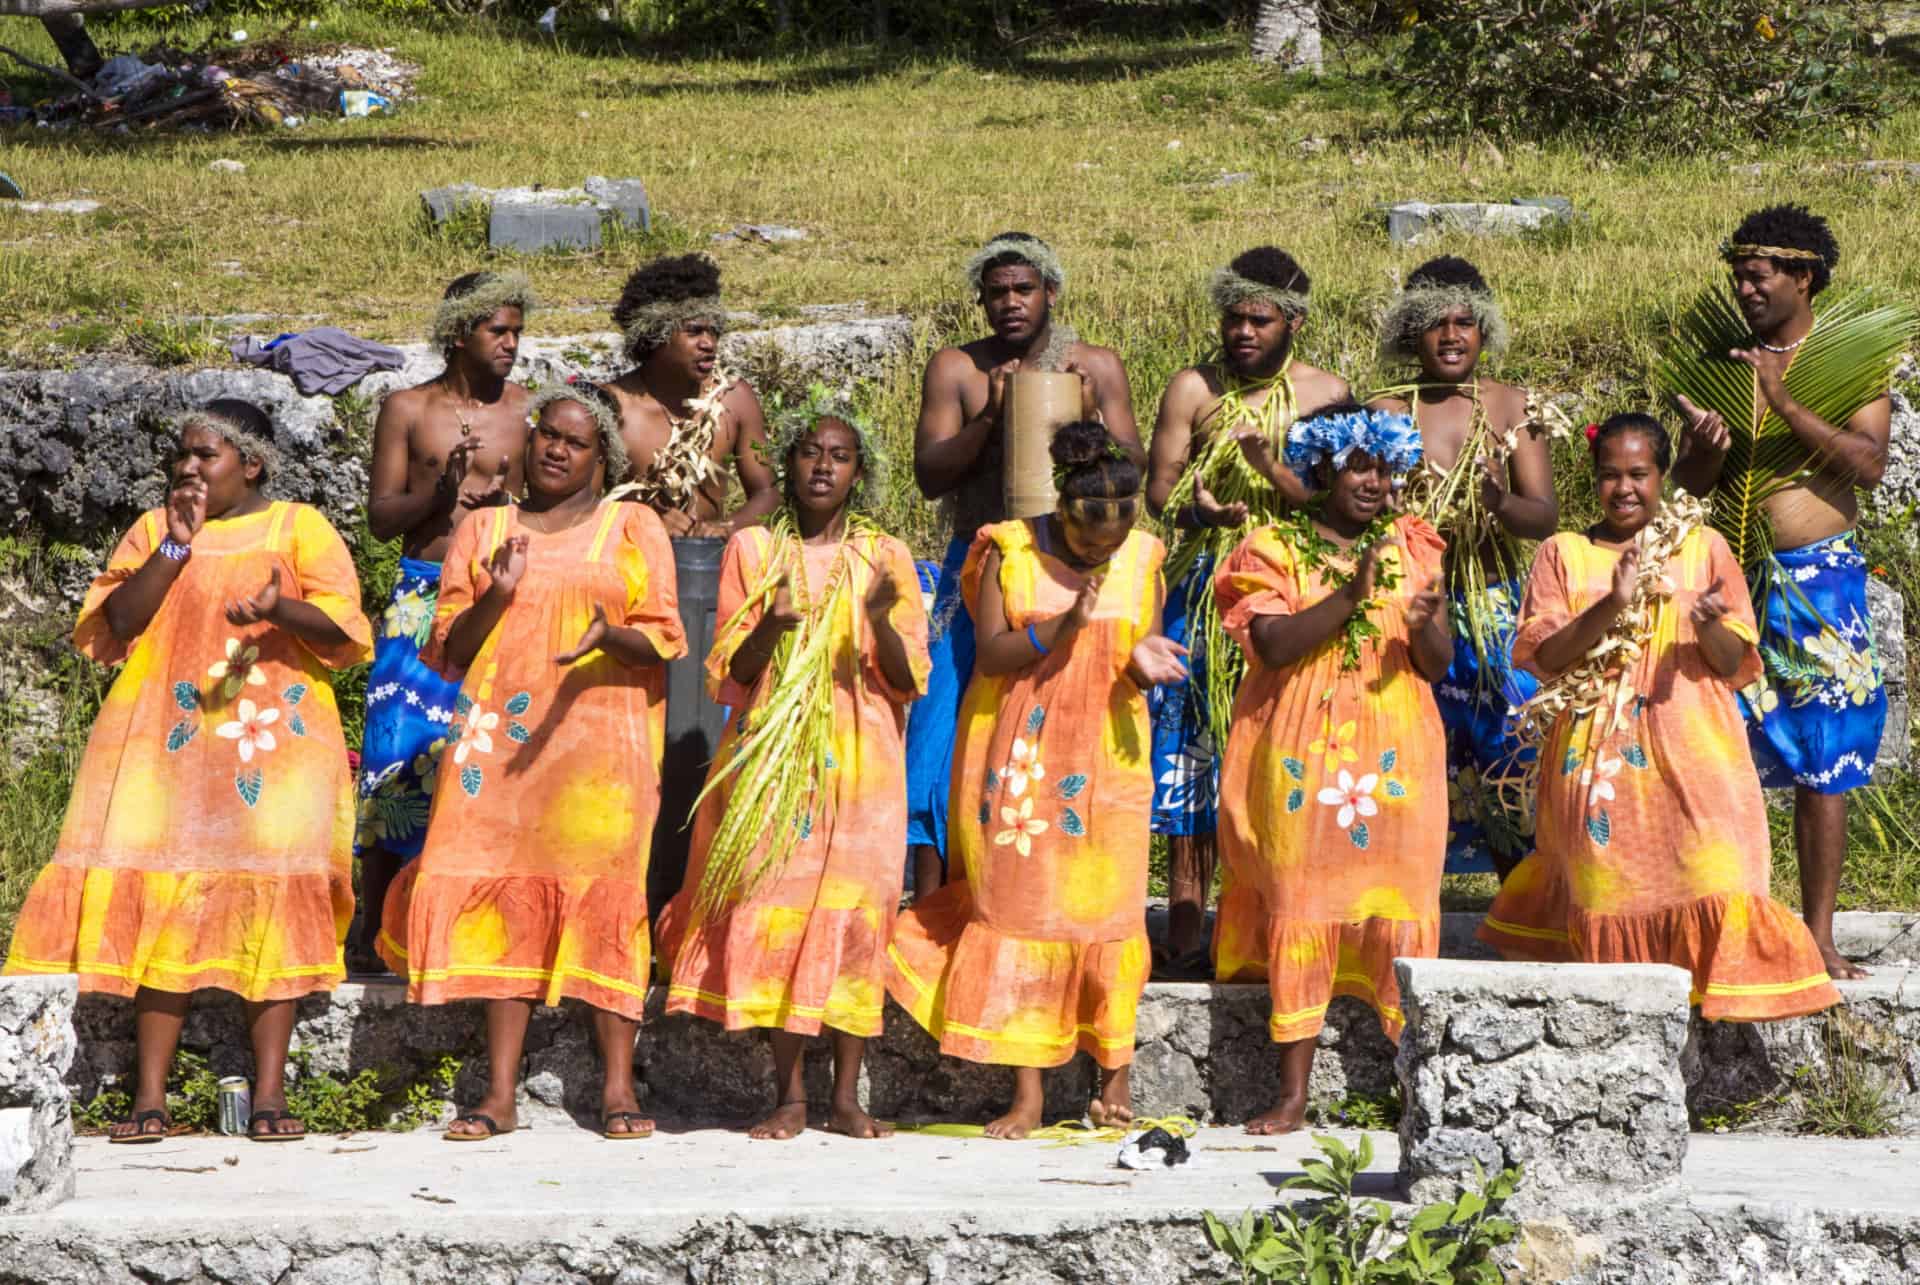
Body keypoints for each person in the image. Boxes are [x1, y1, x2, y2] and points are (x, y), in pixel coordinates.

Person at [5, 401, 373, 1143]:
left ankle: (269, 1095)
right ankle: (150, 1096)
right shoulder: (155, 529)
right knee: (160, 894)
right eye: (181, 455)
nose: (187, 468)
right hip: (165, 746)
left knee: (272, 894)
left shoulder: (299, 528)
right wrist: (174, 549)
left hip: (275, 745)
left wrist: (283, 608)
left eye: (205, 455)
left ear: (252, 463)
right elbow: (115, 625)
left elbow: (345, 631)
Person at [377, 385, 686, 1141]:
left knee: (608, 898)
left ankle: (617, 1089)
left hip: (599, 752)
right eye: (547, 434)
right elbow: (450, 645)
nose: (554, 448)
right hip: (500, 747)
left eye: (574, 442)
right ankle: (499, 1095)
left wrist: (613, 635)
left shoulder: (633, 525)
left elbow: (667, 638)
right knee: (503, 899)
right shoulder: (484, 527)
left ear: (600, 457)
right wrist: (498, 595)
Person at [1480, 414, 1839, 1022]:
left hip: (1697, 755)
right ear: (1592, 481)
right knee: (1608, 893)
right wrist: (1613, 604)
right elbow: (1545, 658)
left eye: (1639, 474)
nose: (1624, 489)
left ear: (1663, 476)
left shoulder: (1703, 548)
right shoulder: (1562, 554)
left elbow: (1735, 662)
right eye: (1610, 475)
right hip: (1598, 764)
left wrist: (1703, 624)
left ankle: (1713, 1022)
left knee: (1720, 872)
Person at [886, 420, 1188, 1140]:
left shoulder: (1143, 556)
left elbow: (1131, 638)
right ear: (1062, 511)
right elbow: (991, 654)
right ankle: (1028, 1092)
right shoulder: (1010, 550)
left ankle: (1116, 1080)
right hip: (1023, 756)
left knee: (1111, 914)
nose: (1102, 553)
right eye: (1089, 542)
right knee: (1023, 912)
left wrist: (1140, 656)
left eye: (1114, 542)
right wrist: (1062, 626)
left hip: (1109, 760)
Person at [657, 388, 929, 1141]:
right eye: (810, 452)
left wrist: (878, 619)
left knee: (852, 912)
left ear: (858, 473)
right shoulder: (754, 551)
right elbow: (729, 678)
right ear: (788, 463)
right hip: (774, 761)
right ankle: (789, 1093)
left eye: (840, 457)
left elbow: (908, 681)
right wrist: (772, 624)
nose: (822, 467)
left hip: (861, 763)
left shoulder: (885, 556)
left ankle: (845, 1095)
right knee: (779, 906)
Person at [1667, 204, 1906, 981]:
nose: (1743, 287)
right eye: (1737, 273)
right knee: (1711, 748)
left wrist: (1785, 400)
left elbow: (1869, 465)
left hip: (1819, 584)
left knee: (1823, 759)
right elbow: (1686, 485)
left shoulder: (1855, 361)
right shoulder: (1720, 361)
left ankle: (1819, 934)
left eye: (1758, 273)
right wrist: (1703, 453)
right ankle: (1722, 922)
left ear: (1803, 276)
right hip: (1731, 580)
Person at [1211, 402, 1449, 1135]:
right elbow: (1275, 645)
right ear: (1321, 467)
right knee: (1302, 903)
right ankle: (1292, 1094)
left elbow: (1435, 664)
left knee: (1400, 907)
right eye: (1357, 465)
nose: (1374, 481)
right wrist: (1351, 594)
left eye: (1384, 467)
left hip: (1397, 752)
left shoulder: (1413, 546)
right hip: (1301, 757)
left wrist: (1425, 624)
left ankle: (1418, 1089)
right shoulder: (1273, 546)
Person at [905, 232, 1143, 902]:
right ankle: (930, 900)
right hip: (976, 563)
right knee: (941, 719)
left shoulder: (1093, 363)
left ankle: (1050, 878)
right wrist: (991, 417)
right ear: (981, 300)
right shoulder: (958, 367)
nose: (1010, 303)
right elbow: (930, 473)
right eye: (996, 292)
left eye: (1023, 289)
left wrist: (1089, 415)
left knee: (1060, 719)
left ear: (1051, 293)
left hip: (1063, 566)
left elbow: (1134, 471)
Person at [1145, 247, 1348, 974]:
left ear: (1292, 320)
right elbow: (1158, 491)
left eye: (1258, 320)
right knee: (1191, 752)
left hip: (1289, 587)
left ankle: (1268, 916)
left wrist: (1270, 471)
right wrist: (1196, 512)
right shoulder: (1193, 389)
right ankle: (1186, 923)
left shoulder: (1328, 392)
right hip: (1205, 584)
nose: (1241, 332)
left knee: (1276, 747)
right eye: (1232, 318)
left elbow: (1333, 500)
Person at [354, 271, 535, 976]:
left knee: (482, 755)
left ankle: (473, 922)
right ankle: (374, 931)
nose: (511, 345)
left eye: (518, 331)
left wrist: (502, 501)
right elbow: (378, 519)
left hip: (497, 594)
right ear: (461, 332)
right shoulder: (407, 408)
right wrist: (441, 492)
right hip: (420, 591)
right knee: (396, 754)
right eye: (499, 331)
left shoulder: (527, 413)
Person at [1369, 257, 1558, 879]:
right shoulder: (1386, 410)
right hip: (1412, 607)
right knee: (1414, 753)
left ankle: (1523, 905)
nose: (1451, 336)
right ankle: (1408, 904)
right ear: (1409, 333)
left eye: (1465, 322)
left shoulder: (1511, 405)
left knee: (1509, 754)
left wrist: (1498, 502)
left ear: (1485, 331)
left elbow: (1544, 516)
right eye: (1434, 324)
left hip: (1496, 605)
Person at [602, 253, 777, 536]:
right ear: (656, 335)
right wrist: (644, 523)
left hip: (707, 562)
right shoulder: (614, 406)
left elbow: (767, 493)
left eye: (714, 331)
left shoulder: (734, 399)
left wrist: (727, 528)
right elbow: (579, 507)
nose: (709, 343)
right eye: (694, 332)